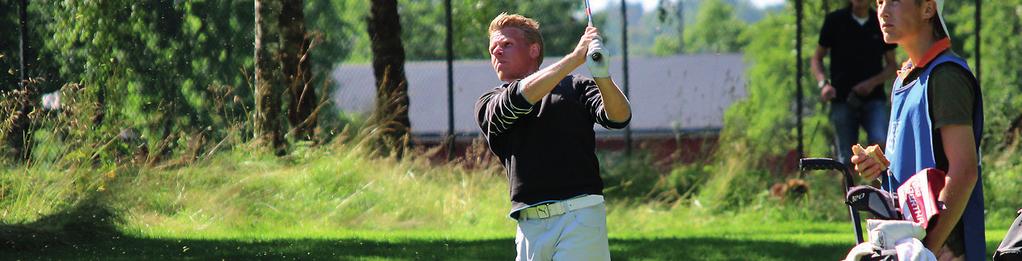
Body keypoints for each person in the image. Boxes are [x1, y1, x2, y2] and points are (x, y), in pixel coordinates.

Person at [474, 13, 631, 261]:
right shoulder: (489, 103)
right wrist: (575, 58)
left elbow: (618, 117)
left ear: (534, 49)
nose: (497, 52)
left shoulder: (576, 86)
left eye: (506, 45)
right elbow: (519, 98)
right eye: (493, 48)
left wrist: (602, 75)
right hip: (528, 225)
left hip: (579, 216)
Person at [853, 0, 984, 260]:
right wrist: (879, 170)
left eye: (895, 1)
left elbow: (964, 171)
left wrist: (929, 247)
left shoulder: (946, 77)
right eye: (879, 2)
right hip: (909, 246)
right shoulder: (904, 79)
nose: (883, 11)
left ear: (927, 9)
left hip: (942, 250)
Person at [811, 0, 898, 164]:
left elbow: (892, 65)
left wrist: (871, 83)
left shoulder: (881, 21)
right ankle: (850, 190)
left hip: (874, 99)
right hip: (842, 100)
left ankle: (878, 190)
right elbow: (817, 59)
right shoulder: (834, 21)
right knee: (846, 158)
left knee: (880, 147)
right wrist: (824, 84)